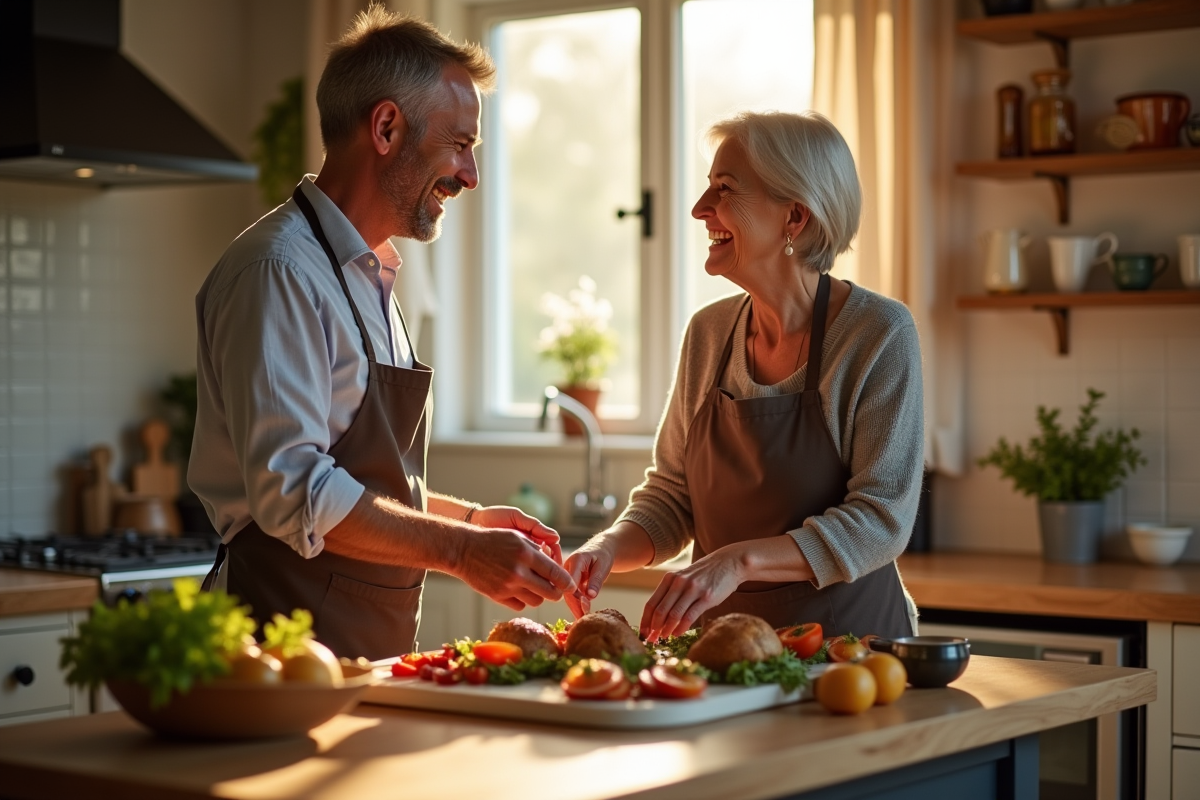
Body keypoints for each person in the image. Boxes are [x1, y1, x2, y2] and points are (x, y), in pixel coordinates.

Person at [191, 8, 573, 660]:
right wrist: (460, 550)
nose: (470, 175)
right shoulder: (279, 271)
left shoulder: (371, 274)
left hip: (368, 656)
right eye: (460, 144)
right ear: (388, 127)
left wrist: (473, 522)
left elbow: (368, 483)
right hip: (280, 659)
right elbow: (297, 491)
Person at [564, 111, 924, 642]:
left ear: (794, 218)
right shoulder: (709, 333)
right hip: (724, 656)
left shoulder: (877, 333)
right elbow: (672, 497)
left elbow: (881, 519)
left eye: (724, 190)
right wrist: (607, 548)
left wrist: (737, 561)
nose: (699, 209)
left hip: (852, 654)